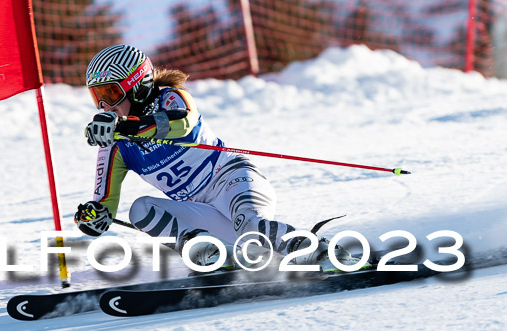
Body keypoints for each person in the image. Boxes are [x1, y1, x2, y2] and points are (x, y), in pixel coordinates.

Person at [74, 44, 352, 271]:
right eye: (96, 96)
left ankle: (317, 252)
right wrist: (92, 217)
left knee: (252, 226)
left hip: (232, 180)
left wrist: (126, 127)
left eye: (110, 93)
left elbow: (182, 123)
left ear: (138, 84)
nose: (104, 106)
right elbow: (104, 204)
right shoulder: (115, 147)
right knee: (140, 210)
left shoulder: (170, 98)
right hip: (202, 211)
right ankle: (211, 254)